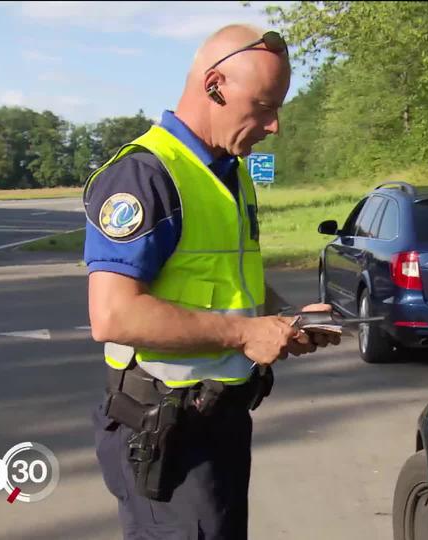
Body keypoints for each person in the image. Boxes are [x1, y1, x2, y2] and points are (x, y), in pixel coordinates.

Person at [85, 25, 337, 539]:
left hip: (216, 421)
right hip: (165, 430)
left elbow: (225, 279)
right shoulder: (145, 176)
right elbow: (113, 314)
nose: (274, 128)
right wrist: (244, 335)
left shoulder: (230, 171)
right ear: (214, 84)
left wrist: (283, 316)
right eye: (264, 107)